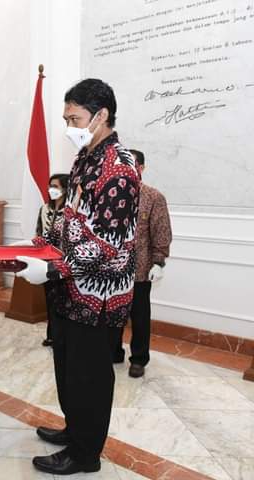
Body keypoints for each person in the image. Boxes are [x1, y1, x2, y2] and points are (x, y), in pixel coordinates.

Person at [15, 79, 140, 475]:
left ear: (101, 115)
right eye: (67, 117)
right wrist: (39, 242)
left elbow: (105, 243)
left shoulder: (119, 168)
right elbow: (70, 218)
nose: (70, 125)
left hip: (99, 295)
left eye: (75, 118)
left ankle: (86, 454)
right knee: (68, 367)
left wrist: (52, 267)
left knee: (90, 377)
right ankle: (75, 429)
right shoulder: (85, 159)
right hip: (71, 288)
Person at [110, 149, 171, 378]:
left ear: (141, 168)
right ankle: (114, 351)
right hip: (112, 269)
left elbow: (161, 231)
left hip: (140, 270)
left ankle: (138, 358)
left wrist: (159, 262)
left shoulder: (154, 197)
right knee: (113, 314)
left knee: (140, 316)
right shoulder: (111, 195)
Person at [37, 173, 69, 347]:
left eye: (55, 186)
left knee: (62, 301)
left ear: (65, 189)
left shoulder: (71, 211)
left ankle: (62, 336)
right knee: (50, 300)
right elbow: (39, 232)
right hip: (45, 262)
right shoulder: (44, 209)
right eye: (50, 186)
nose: (51, 190)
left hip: (64, 264)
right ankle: (52, 335)